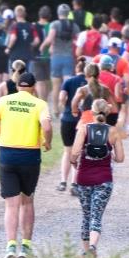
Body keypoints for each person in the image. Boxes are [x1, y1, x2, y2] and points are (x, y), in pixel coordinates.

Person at [0, 71, 52, 258]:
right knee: (27, 201)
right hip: (30, 155)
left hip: (7, 154)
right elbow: (47, 127)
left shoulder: (5, 100)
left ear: (17, 85)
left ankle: (10, 245)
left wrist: (3, 130)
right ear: (33, 87)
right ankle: (26, 247)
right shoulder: (40, 104)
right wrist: (47, 142)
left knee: (11, 205)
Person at [69, 98, 125, 258]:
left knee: (86, 215)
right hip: (104, 180)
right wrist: (112, 154)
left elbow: (74, 153)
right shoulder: (113, 131)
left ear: (91, 112)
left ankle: (87, 253)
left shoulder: (84, 129)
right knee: (96, 216)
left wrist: (74, 163)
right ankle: (93, 247)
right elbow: (120, 158)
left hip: (83, 179)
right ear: (107, 113)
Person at [56, 56, 89, 192]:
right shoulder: (88, 84)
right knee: (79, 152)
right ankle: (75, 184)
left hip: (68, 119)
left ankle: (63, 181)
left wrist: (65, 107)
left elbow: (62, 97)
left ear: (77, 68)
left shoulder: (68, 81)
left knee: (67, 150)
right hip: (82, 120)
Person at [41, 4, 79, 119]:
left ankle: (55, 110)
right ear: (68, 13)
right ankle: (67, 108)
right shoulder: (74, 25)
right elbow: (78, 40)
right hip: (68, 58)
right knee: (68, 85)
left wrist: (42, 46)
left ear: (58, 13)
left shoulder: (55, 24)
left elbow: (50, 38)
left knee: (56, 85)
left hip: (56, 58)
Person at [6, 5, 42, 74]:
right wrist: (31, 45)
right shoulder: (31, 26)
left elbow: (13, 38)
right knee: (27, 79)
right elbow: (37, 40)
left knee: (15, 78)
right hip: (28, 56)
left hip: (15, 56)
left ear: (15, 14)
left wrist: (8, 48)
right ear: (25, 14)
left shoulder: (14, 26)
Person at [95, 54, 125, 126]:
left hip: (97, 108)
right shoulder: (117, 78)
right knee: (109, 133)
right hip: (111, 109)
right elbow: (118, 96)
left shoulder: (95, 77)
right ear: (111, 66)